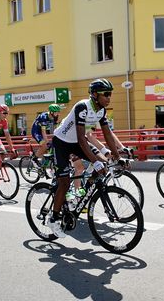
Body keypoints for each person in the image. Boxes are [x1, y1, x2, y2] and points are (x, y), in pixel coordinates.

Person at [48, 78, 121, 238]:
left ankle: (81, 193)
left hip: (76, 143)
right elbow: (82, 139)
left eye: (110, 94)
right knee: (65, 182)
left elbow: (107, 133)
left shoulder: (101, 110)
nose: (109, 97)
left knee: (104, 164)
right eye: (106, 94)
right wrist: (94, 162)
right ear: (95, 95)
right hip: (62, 143)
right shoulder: (83, 107)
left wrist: (117, 156)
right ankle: (53, 218)